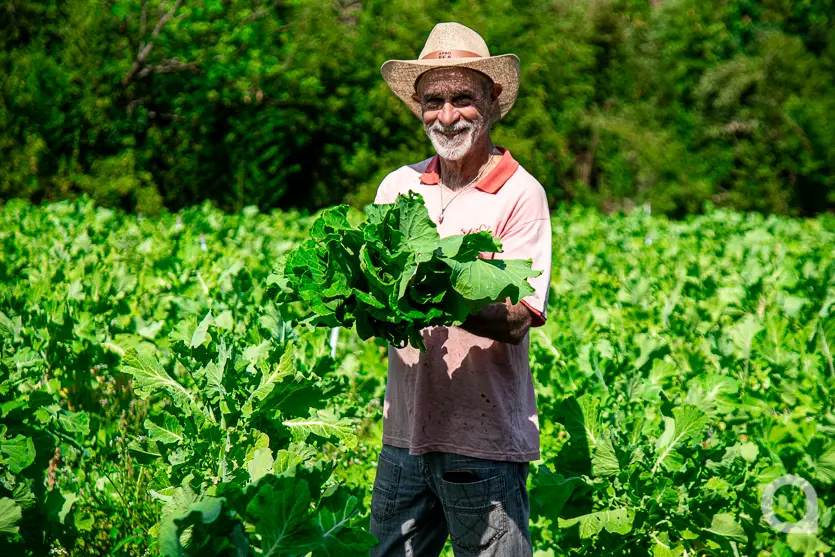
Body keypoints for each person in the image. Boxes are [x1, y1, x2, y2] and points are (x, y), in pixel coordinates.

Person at [370, 22, 552, 557]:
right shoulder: (397, 186)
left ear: (492, 101)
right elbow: (383, 294)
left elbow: (519, 317)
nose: (447, 116)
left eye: (462, 99)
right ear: (419, 106)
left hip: (484, 443)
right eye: (433, 101)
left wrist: (439, 295)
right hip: (402, 434)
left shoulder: (520, 193)